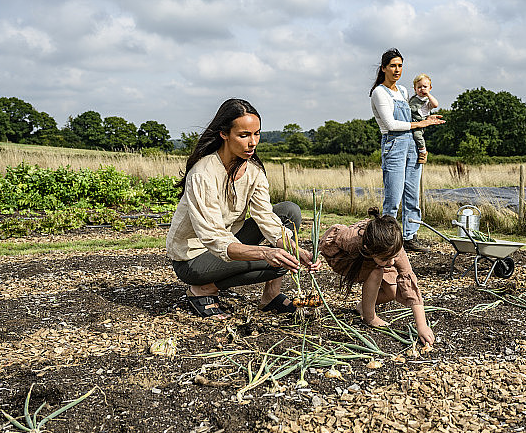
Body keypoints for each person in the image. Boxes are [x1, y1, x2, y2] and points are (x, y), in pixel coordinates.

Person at [166, 98, 320, 319]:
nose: (253, 142)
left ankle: (271, 296)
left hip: (228, 241)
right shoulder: (203, 174)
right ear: (224, 134)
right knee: (278, 263)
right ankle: (203, 289)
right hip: (193, 258)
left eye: (257, 134)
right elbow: (213, 238)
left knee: (288, 211)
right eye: (244, 135)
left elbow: (267, 219)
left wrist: (296, 250)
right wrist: (265, 252)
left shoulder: (254, 172)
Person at [319, 207, 435, 346]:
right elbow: (331, 236)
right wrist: (315, 257)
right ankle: (369, 317)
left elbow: (409, 281)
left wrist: (421, 326)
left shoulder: (394, 247)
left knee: (392, 292)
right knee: (376, 271)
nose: (392, 262)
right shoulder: (351, 239)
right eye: (387, 258)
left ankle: (362, 306)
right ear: (369, 249)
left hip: (375, 256)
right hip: (351, 259)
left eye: (395, 256)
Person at [369, 48, 444, 253]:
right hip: (394, 144)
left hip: (411, 144)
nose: (397, 70)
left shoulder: (402, 91)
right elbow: (392, 124)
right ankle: (387, 241)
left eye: (400, 65)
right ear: (383, 68)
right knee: (393, 196)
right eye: (393, 65)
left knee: (412, 194)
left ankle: (409, 237)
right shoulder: (379, 92)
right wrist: (421, 125)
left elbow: (417, 115)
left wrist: (425, 131)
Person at [409, 73, 439, 165]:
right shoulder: (413, 98)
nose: (422, 89)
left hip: (421, 122)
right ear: (415, 89)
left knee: (418, 135)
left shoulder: (427, 101)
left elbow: (435, 105)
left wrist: (428, 95)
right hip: (410, 120)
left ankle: (423, 151)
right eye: (419, 87)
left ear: (430, 88)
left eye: (425, 87)